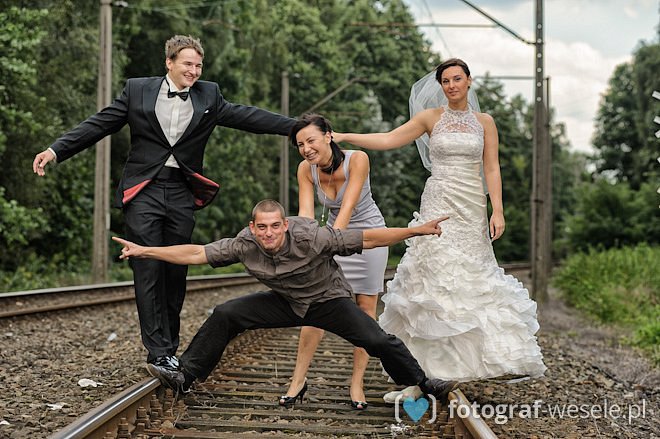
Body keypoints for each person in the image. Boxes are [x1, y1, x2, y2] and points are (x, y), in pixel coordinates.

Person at [32, 35, 296, 373]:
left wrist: (297, 128)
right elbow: (98, 124)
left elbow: (250, 117)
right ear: (169, 62)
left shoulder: (209, 96)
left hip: (182, 191)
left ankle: (169, 346)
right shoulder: (137, 90)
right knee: (147, 267)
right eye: (187, 64)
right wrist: (56, 150)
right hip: (144, 190)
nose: (194, 71)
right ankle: (158, 351)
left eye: (198, 65)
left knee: (175, 269)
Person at [332, 58, 546, 401]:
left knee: (466, 283)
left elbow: (491, 168)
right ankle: (420, 377)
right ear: (441, 85)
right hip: (439, 202)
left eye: (457, 79)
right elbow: (389, 139)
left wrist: (498, 209)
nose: (451, 86)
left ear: (469, 81)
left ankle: (457, 367)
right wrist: (345, 137)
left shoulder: (485, 122)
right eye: (445, 81)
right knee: (431, 280)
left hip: (471, 207)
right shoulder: (430, 118)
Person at [112, 199, 459, 405]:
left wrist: (413, 231)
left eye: (275, 226)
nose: (269, 233)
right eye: (262, 227)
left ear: (285, 225)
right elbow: (196, 253)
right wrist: (146, 251)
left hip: (328, 300)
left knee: (377, 340)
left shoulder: (312, 236)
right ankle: (185, 375)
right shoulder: (244, 243)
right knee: (226, 313)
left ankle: (423, 383)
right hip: (287, 302)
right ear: (253, 227)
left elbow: (369, 238)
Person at [281, 114, 388, 410]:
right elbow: (306, 215)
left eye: (311, 140)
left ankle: (357, 383)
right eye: (300, 144)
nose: (306, 149)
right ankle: (297, 380)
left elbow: (347, 207)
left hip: (367, 237)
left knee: (365, 309)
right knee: (315, 306)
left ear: (328, 136)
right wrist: (303, 245)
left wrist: (324, 246)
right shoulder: (306, 169)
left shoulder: (358, 160)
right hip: (332, 236)